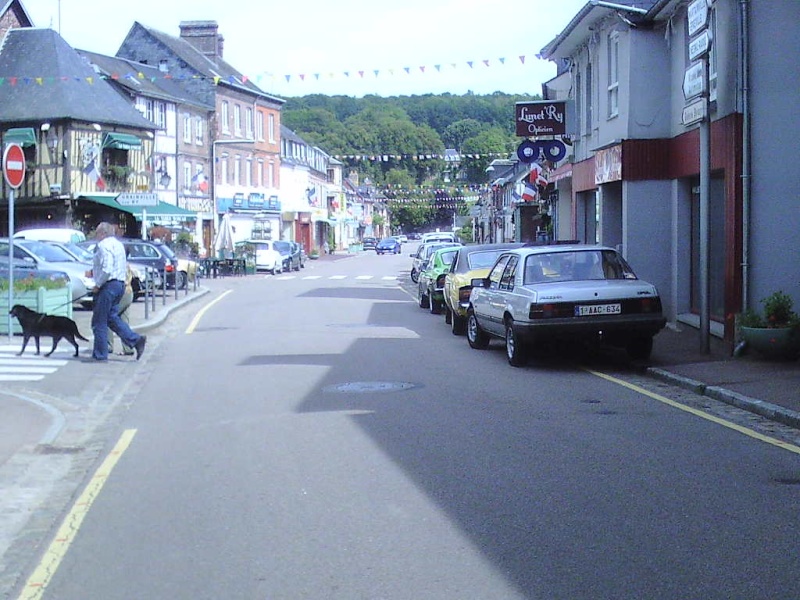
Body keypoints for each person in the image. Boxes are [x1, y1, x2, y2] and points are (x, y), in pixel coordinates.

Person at [88, 222, 146, 361]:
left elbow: (107, 269)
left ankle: (100, 354)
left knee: (99, 321)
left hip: (108, 285)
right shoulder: (119, 245)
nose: (96, 236)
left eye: (97, 233)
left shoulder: (104, 245)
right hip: (120, 284)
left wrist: (98, 284)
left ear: (103, 233)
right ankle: (135, 340)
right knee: (112, 318)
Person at [108, 260, 135, 356]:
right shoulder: (125, 263)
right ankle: (128, 348)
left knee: (109, 317)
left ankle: (108, 346)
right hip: (129, 292)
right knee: (124, 320)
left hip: (122, 292)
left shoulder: (117, 264)